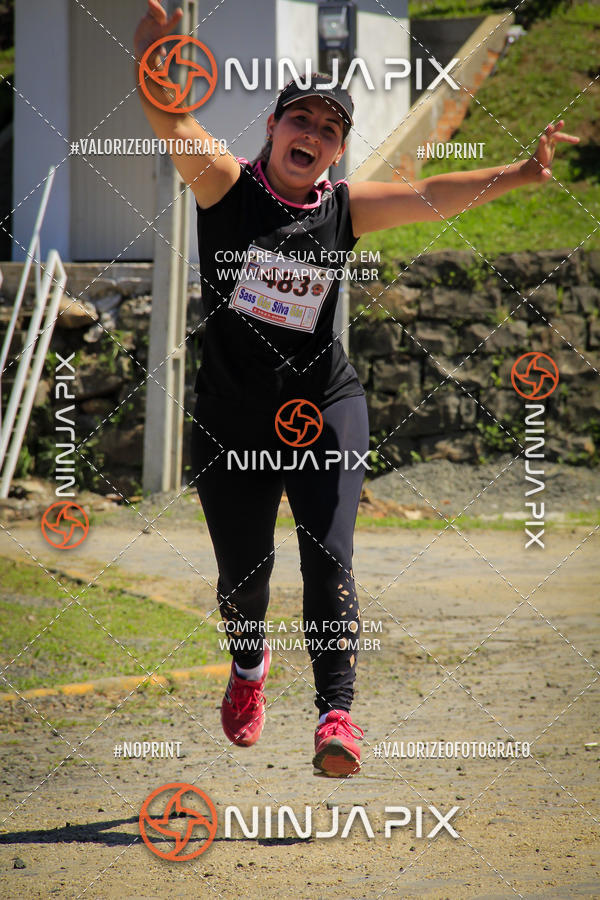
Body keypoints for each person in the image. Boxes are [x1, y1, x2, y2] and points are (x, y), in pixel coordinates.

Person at [134, 0, 579, 777]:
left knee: (328, 554)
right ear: (272, 129)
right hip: (232, 415)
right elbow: (172, 122)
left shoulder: (343, 210)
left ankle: (336, 714)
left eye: (329, 129)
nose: (312, 134)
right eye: (299, 120)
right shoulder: (224, 187)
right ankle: (247, 666)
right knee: (244, 578)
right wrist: (153, 49)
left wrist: (524, 172)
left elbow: (436, 195)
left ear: (337, 153)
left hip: (324, 405)